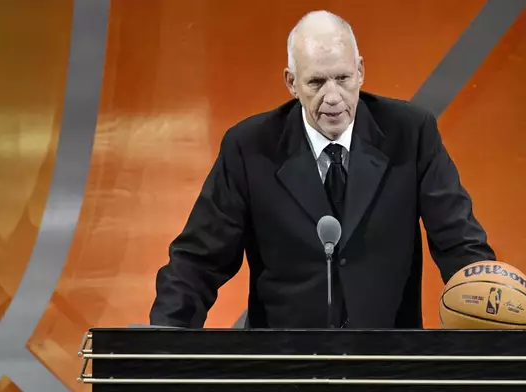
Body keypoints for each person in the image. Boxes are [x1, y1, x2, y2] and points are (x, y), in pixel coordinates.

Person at [149, 10, 496, 329]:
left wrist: (492, 316)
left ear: (360, 71)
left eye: (343, 78)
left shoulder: (411, 133)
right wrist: (161, 345)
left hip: (388, 363)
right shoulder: (249, 147)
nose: (333, 97)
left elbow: (459, 242)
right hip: (283, 367)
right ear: (291, 82)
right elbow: (197, 262)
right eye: (316, 83)